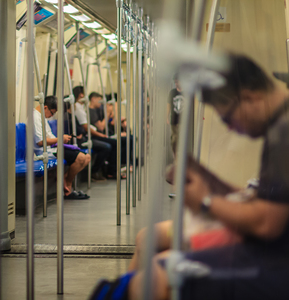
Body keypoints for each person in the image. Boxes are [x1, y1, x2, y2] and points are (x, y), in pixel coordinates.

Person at [90, 54, 289, 300]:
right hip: (273, 247)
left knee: (154, 279)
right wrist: (209, 180)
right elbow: (267, 200)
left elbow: (267, 224)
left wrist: (206, 201)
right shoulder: (279, 128)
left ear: (248, 98)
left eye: (227, 117)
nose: (230, 127)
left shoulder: (283, 134)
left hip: (277, 258)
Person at [33, 95, 91, 200]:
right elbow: (41, 142)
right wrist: (60, 139)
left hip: (53, 148)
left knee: (87, 157)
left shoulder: (42, 117)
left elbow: (50, 137)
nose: (51, 116)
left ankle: (66, 180)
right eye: (52, 112)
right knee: (81, 158)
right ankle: (68, 186)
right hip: (46, 152)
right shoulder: (35, 117)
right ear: (45, 107)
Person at [74, 87, 125, 179]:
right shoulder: (80, 108)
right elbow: (92, 127)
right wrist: (108, 114)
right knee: (109, 145)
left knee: (116, 142)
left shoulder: (83, 108)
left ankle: (111, 170)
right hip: (87, 137)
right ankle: (101, 171)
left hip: (91, 134)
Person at [65, 100, 111, 181]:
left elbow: (81, 130)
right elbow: (79, 130)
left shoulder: (72, 116)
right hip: (77, 142)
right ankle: (68, 179)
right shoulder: (68, 117)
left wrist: (81, 133)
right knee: (106, 147)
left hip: (81, 139)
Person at [167, 73, 184, 153]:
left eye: (178, 82)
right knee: (174, 139)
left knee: (182, 138)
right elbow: (168, 105)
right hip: (174, 120)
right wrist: (166, 116)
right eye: (176, 82)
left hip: (182, 120)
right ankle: (176, 155)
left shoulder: (185, 92)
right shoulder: (172, 92)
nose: (177, 83)